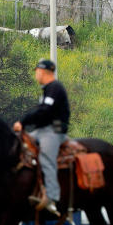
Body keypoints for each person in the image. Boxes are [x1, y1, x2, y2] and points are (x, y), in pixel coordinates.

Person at [13, 58, 70, 216]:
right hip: (42, 130)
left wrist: (23, 121)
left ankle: (51, 199)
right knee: (20, 145)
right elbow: (41, 112)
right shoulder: (48, 89)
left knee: (46, 157)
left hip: (53, 132)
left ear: (44, 71)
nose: (36, 74)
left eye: (37, 71)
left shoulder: (55, 88)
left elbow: (44, 111)